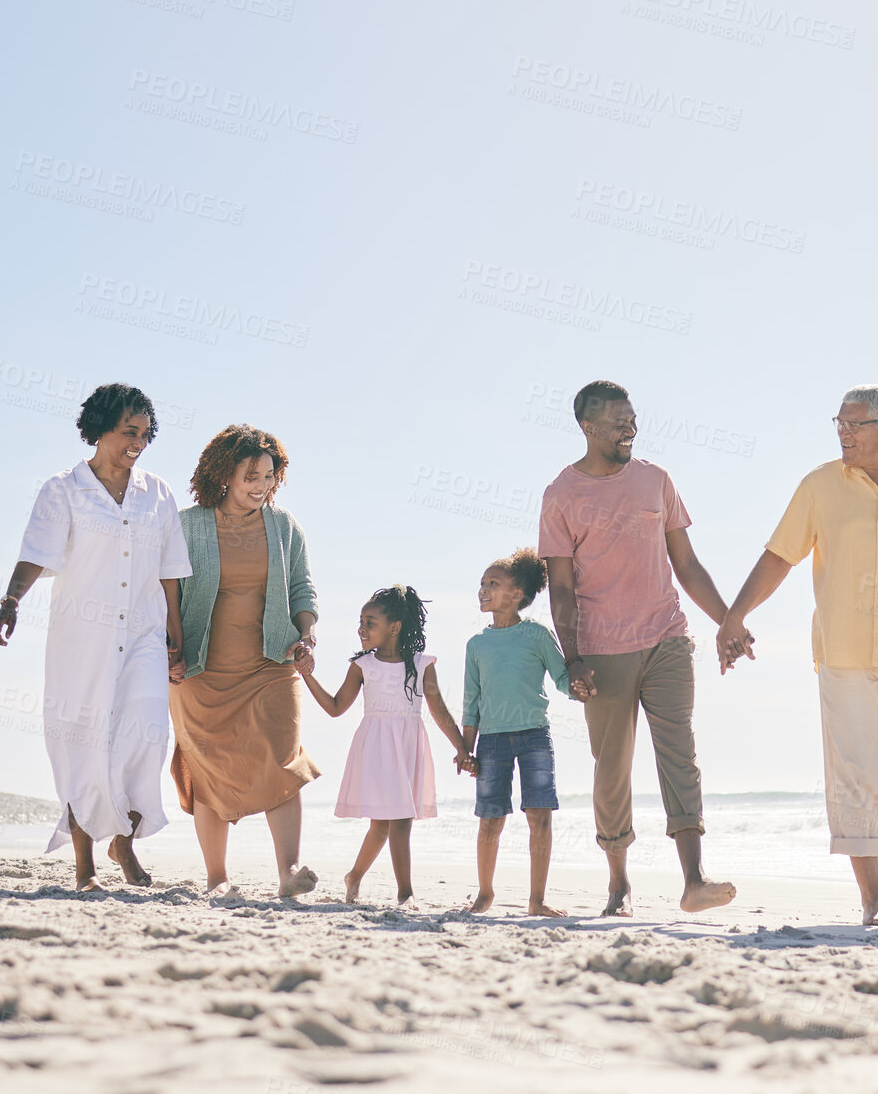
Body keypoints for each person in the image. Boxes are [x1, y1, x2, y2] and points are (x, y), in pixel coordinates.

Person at [717, 384, 878, 927]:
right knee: (854, 773)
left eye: (854, 424)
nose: (843, 433)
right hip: (845, 655)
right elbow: (779, 557)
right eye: (838, 422)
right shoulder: (819, 486)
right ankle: (872, 893)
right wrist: (735, 615)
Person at [539, 380, 736, 916]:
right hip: (602, 652)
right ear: (588, 426)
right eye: (618, 421)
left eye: (632, 419)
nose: (630, 428)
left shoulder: (656, 480)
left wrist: (727, 620)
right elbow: (560, 586)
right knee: (612, 768)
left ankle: (694, 879)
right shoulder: (561, 494)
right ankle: (619, 880)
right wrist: (573, 656)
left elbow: (687, 564)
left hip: (667, 636)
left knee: (679, 754)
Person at [0, 383, 191, 891]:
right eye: (129, 432)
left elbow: (170, 570)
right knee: (85, 742)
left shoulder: (158, 493)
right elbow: (37, 551)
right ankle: (85, 865)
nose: (138, 443)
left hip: (143, 632)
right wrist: (11, 601)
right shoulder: (63, 490)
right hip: (84, 637)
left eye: (145, 434)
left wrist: (176, 633)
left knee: (146, 734)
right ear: (99, 429)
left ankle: (124, 835)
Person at [172, 424, 321, 900]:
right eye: (251, 475)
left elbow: (302, 586)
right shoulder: (187, 524)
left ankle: (288, 870)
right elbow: (165, 592)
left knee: (283, 756)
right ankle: (217, 878)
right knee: (209, 768)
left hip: (271, 663)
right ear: (224, 474)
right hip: (199, 670)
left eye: (269, 476)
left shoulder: (284, 526)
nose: (261, 485)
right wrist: (169, 649)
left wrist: (307, 633)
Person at [297, 585, 468, 906]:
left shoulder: (422, 663)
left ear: (395, 627)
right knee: (398, 823)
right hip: (376, 751)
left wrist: (461, 748)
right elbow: (335, 708)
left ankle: (354, 877)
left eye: (370, 622)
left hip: (408, 747)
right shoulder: (363, 666)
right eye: (360, 621)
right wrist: (306, 676)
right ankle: (406, 893)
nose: (361, 629)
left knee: (383, 827)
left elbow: (439, 711)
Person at [460, 548, 575, 918]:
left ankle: (536, 900)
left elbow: (562, 678)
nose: (483, 589)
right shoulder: (476, 645)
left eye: (493, 583)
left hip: (534, 738)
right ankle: (485, 893)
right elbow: (471, 703)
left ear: (517, 594)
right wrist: (467, 749)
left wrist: (582, 687)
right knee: (490, 819)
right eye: (482, 583)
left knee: (540, 817)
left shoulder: (537, 635)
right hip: (491, 742)